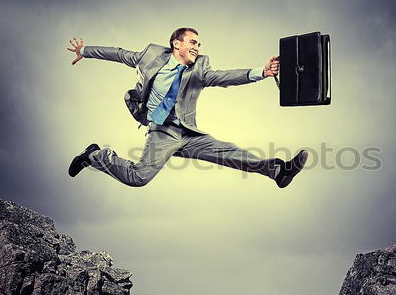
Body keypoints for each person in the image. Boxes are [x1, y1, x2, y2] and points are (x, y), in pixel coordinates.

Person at [67, 28, 308, 188]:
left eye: (199, 44)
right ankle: (95, 156)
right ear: (176, 43)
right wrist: (85, 52)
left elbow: (223, 77)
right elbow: (119, 54)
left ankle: (277, 170)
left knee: (229, 152)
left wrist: (261, 72)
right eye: (193, 42)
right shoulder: (150, 56)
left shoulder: (199, 69)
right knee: (138, 178)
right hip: (162, 133)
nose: (197, 47)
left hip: (188, 133)